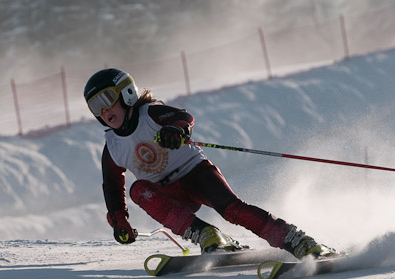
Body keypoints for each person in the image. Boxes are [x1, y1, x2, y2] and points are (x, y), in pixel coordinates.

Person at [83, 68, 327, 259]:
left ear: (127, 93)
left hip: (195, 174)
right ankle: (207, 235)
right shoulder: (113, 146)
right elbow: (113, 186)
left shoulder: (150, 114)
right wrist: (119, 221)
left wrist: (175, 130)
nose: (103, 110)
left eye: (107, 99)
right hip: (168, 194)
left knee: (232, 209)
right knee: (139, 191)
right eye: (95, 105)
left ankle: (297, 240)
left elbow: (183, 117)